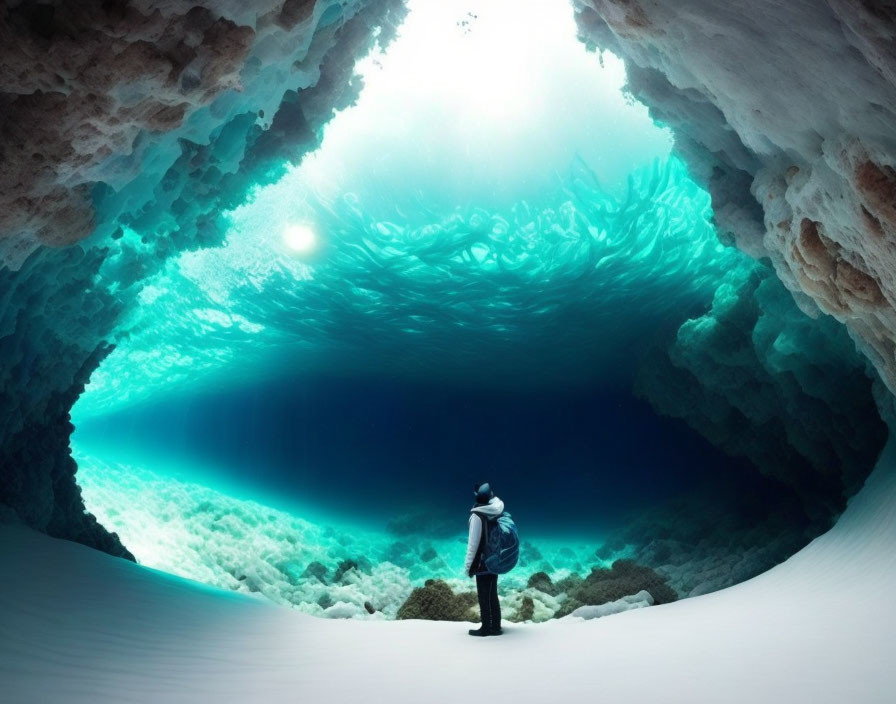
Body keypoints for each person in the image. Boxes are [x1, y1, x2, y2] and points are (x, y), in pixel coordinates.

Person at [464, 481, 504, 636]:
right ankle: (496, 626)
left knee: (483, 595)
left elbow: (473, 545)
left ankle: (486, 628)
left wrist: (468, 567)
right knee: (492, 593)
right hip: (495, 558)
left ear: (476, 495)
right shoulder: (496, 508)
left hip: (482, 561)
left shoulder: (477, 515)